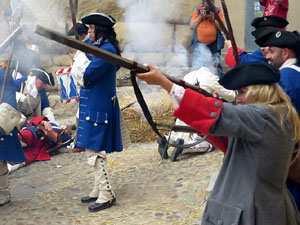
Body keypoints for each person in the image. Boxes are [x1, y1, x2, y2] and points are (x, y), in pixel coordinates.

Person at [136, 62, 300, 224]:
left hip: (251, 210)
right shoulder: (278, 113)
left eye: (242, 92)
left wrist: (164, 83)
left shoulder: (262, 116)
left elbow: (217, 114)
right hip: (265, 205)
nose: (238, 99)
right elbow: (230, 140)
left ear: (260, 92)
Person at [76, 13, 123, 212]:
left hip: (99, 106)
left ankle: (106, 193)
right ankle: (98, 188)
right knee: (91, 149)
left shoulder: (107, 51)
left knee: (95, 151)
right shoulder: (99, 49)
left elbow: (87, 76)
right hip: (92, 105)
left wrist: (78, 61)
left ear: (101, 30)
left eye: (92, 28)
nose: (88, 32)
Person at [256, 30, 300, 209]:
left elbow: (276, 119)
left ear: (286, 52)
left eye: (272, 51)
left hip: (291, 151)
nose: (268, 57)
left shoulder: (283, 79)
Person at [0, 59, 26, 207]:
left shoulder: (4, 75)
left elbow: (10, 99)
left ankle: (3, 194)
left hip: (1, 119)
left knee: (0, 160)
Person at [190, 0, 225, 76]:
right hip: (200, 45)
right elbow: (192, 26)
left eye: (211, 1)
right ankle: (197, 83)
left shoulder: (217, 11)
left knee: (216, 67)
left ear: (213, 2)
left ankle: (219, 84)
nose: (209, 4)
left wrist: (212, 19)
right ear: (203, 3)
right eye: (207, 1)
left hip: (214, 45)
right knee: (198, 66)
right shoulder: (198, 10)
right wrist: (200, 17)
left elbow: (222, 28)